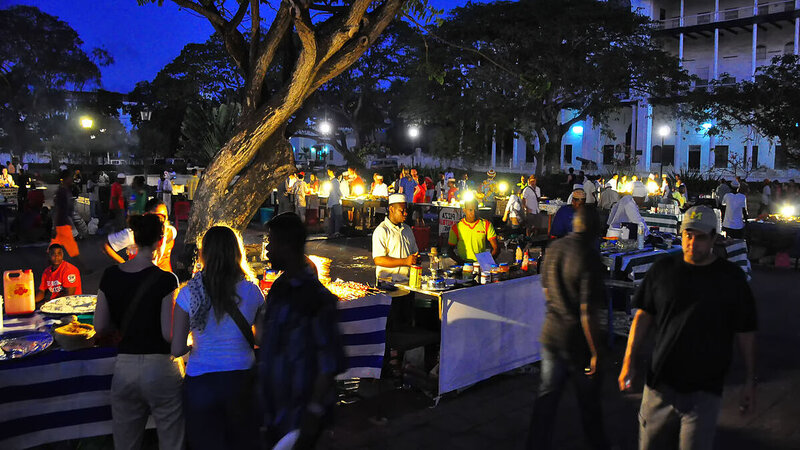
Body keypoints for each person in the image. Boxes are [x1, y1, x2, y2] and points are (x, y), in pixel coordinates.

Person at [618, 205, 757, 450]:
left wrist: (749, 379)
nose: (692, 243)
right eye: (688, 235)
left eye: (700, 237)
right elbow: (643, 316)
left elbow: (745, 330)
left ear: (714, 237)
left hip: (705, 391)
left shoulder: (731, 279)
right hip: (659, 385)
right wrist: (629, 361)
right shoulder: (663, 270)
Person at [94, 214, 184, 450]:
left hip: (125, 368)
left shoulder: (110, 276)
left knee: (126, 443)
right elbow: (169, 334)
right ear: (160, 241)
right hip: (161, 369)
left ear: (134, 239)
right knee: (171, 440)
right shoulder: (167, 279)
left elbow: (100, 327)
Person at [171, 226, 264, 450]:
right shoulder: (253, 292)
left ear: (204, 255)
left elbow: (176, 350)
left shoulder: (188, 293)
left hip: (201, 383)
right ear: (237, 253)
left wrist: (199, 339)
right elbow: (261, 339)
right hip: (241, 381)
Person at [258, 213, 345, 448]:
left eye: (271, 242)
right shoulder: (278, 289)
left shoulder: (316, 297)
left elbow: (329, 363)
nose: (267, 249)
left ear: (286, 246)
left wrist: (313, 412)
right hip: (276, 411)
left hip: (300, 417)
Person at [527, 206, 609, 450]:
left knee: (546, 400)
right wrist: (596, 351)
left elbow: (546, 291)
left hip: (552, 333)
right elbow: (587, 312)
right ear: (595, 229)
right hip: (577, 342)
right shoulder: (588, 256)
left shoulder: (554, 249)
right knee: (589, 404)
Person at [105, 199, 177, 272]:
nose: (162, 221)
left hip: (163, 278)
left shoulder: (170, 232)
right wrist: (124, 264)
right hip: (141, 278)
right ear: (146, 216)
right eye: (158, 217)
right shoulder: (133, 234)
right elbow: (105, 245)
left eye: (165, 217)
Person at [372, 194, 420, 282]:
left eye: (406, 210)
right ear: (391, 209)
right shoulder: (382, 230)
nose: (405, 213)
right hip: (388, 284)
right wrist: (405, 261)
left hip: (407, 282)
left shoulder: (407, 229)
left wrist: (416, 258)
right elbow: (378, 259)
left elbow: (414, 252)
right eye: (402, 211)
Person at [50, 169, 89, 272]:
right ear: (66, 178)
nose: (72, 179)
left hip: (62, 224)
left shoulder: (64, 190)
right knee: (73, 250)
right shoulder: (62, 191)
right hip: (62, 225)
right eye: (70, 177)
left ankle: (51, 270)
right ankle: (84, 269)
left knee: (53, 250)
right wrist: (54, 227)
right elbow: (58, 209)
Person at [448, 199, 500, 264]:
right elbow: (450, 251)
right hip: (464, 265)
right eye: (470, 210)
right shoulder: (456, 227)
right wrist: (461, 262)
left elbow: (496, 248)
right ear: (464, 210)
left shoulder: (486, 224)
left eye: (476, 210)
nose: (473, 213)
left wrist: (486, 263)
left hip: (481, 264)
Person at [326, 167, 343, 237]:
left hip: (331, 202)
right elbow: (338, 192)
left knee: (332, 217)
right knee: (338, 217)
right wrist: (342, 195)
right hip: (336, 202)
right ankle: (336, 232)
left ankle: (331, 231)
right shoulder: (336, 182)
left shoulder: (331, 181)